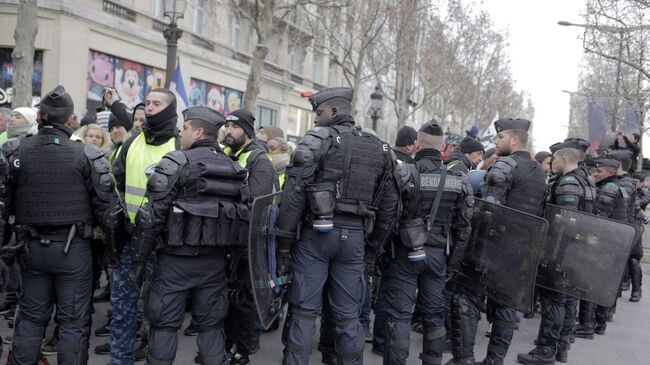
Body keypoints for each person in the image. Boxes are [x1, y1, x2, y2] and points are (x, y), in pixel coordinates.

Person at [276, 87, 399, 365]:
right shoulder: (379, 146)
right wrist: (372, 249)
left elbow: (293, 197)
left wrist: (283, 247)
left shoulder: (317, 140)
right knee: (348, 317)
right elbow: (390, 206)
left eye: (318, 113)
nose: (316, 119)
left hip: (316, 237)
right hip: (354, 238)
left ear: (334, 111)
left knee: (304, 313)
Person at [1, 85, 114, 365]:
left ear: (39, 116)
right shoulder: (87, 155)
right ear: (70, 120)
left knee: (31, 316)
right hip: (73, 250)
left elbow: (4, 204)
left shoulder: (14, 151)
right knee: (73, 321)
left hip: (30, 248)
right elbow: (108, 211)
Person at [127, 106, 250, 364]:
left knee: (164, 325)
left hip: (175, 262)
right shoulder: (233, 167)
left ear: (199, 131)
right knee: (212, 325)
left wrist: (138, 261)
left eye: (185, 129)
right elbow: (245, 217)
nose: (180, 134)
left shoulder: (176, 161)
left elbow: (150, 217)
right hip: (215, 263)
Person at [447, 118, 547, 365]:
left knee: (465, 298)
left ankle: (464, 360)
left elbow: (488, 213)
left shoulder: (505, 165)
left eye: (500, 137)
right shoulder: (539, 174)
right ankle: (494, 361)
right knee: (506, 304)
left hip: (491, 247)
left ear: (514, 139)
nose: (495, 141)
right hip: (520, 250)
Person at [382, 121, 473, 365]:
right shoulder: (459, 179)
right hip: (437, 255)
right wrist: (451, 265)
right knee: (433, 316)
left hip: (403, 253)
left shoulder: (403, 173)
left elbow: (387, 216)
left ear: (417, 144)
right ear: (443, 147)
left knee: (399, 317)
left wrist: (378, 254)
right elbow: (464, 229)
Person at [107, 88, 180, 365]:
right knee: (123, 309)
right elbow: (117, 184)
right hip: (130, 239)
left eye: (156, 103)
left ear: (170, 109)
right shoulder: (132, 142)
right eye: (147, 103)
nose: (149, 108)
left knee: (161, 312)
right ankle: (119, 360)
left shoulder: (179, 146)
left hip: (165, 245)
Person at [517, 139, 596, 365]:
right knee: (567, 299)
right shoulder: (586, 180)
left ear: (563, 158)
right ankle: (561, 347)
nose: (552, 162)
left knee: (555, 300)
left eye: (554, 159)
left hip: (562, 251)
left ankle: (545, 350)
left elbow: (566, 222)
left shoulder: (569, 182)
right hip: (577, 251)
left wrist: (552, 254)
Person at [222, 108, 276, 364]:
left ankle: (243, 350)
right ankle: (228, 344)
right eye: (226, 126)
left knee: (244, 299)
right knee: (229, 298)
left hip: (248, 242)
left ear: (247, 131)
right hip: (228, 239)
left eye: (234, 127)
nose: (228, 131)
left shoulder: (259, 160)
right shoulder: (229, 154)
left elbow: (256, 201)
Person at [574, 158, 629, 340]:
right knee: (602, 284)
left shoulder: (609, 189)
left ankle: (586, 325)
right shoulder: (617, 187)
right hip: (614, 243)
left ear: (610, 172)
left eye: (599, 172)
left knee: (590, 283)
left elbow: (599, 219)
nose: (595, 174)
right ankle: (599, 323)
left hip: (603, 243)